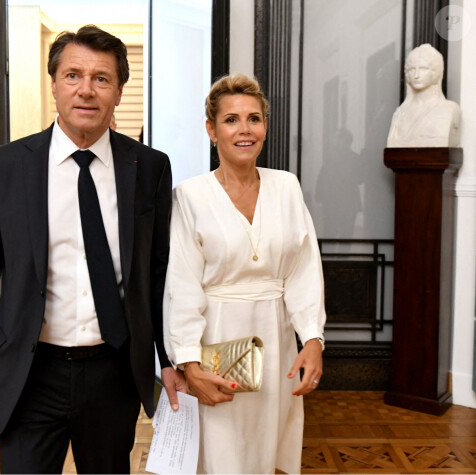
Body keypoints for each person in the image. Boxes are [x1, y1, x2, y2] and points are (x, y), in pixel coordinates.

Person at [0, 25, 184, 474]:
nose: (86, 90)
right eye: (73, 75)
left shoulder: (149, 168)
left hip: (114, 371)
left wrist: (171, 358)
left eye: (101, 78)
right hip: (30, 373)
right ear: (54, 85)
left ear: (119, 92)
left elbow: (160, 274)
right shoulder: (4, 167)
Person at [163, 73, 326, 474]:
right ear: (211, 130)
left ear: (265, 127)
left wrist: (313, 338)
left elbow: (305, 270)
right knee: (221, 452)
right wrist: (188, 361)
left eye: (254, 118)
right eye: (231, 119)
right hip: (216, 344)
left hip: (278, 343)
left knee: (269, 447)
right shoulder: (190, 195)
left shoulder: (287, 186)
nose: (244, 129)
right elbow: (181, 284)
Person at [387, 43, 461, 147]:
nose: (416, 75)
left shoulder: (450, 109)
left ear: (436, 72)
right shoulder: (399, 113)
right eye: (412, 69)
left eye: (423, 69)